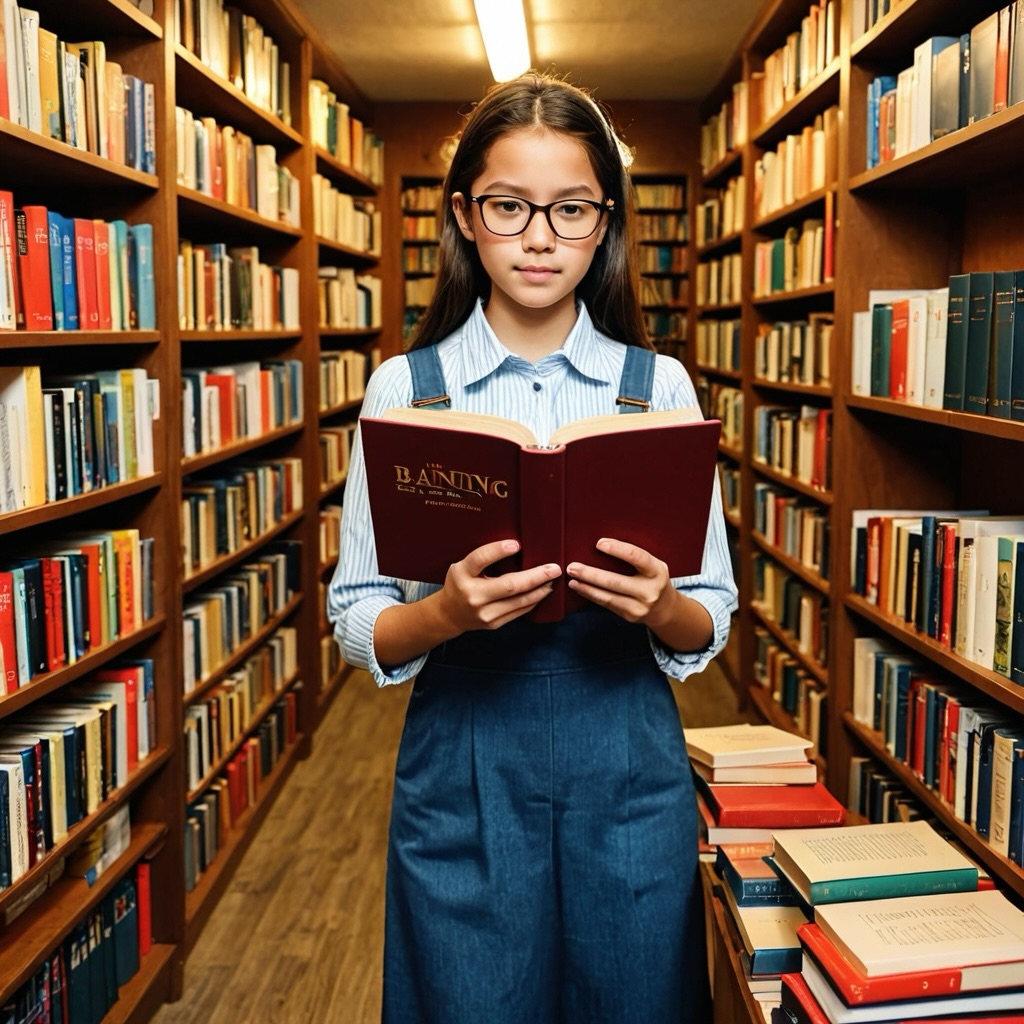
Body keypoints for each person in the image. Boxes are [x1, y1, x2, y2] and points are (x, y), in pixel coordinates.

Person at [328, 71, 737, 1024]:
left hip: (625, 749)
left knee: (636, 996)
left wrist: (657, 606)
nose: (541, 236)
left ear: (607, 221)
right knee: (471, 998)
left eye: (571, 209)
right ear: (467, 216)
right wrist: (442, 613)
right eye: (510, 207)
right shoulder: (405, 388)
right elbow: (356, 615)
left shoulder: (658, 386)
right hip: (466, 752)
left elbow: (707, 608)